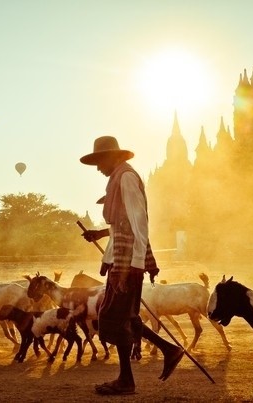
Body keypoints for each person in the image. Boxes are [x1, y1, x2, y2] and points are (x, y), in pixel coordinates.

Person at [80, 135, 184, 396]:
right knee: (126, 317)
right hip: (122, 260)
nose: (97, 167)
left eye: (100, 160)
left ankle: (127, 380)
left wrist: (132, 266)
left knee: (110, 321)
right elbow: (121, 226)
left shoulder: (125, 177)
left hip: (128, 263)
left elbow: (138, 223)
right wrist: (100, 234)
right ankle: (167, 350)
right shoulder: (118, 178)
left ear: (114, 156)